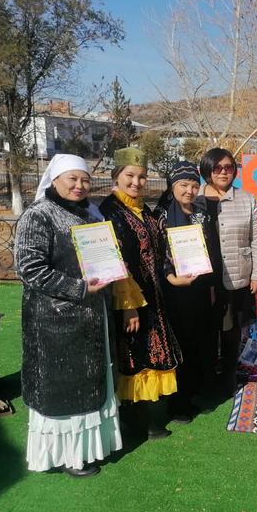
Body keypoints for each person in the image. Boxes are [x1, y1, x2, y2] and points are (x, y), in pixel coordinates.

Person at [15, 153, 122, 477]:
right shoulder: (39, 215)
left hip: (91, 317)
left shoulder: (89, 214)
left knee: (89, 384)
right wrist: (78, 288)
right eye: (72, 179)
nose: (79, 185)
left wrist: (114, 269)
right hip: (55, 323)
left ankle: (89, 449)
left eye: (85, 180)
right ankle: (70, 457)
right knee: (64, 390)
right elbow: (29, 269)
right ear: (55, 180)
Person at [99, 147, 181, 438]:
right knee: (134, 353)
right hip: (130, 298)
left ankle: (151, 419)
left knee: (152, 350)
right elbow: (113, 260)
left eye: (142, 176)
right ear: (116, 176)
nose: (136, 182)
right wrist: (128, 304)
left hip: (154, 294)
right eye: (130, 175)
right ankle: (137, 423)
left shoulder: (141, 207)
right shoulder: (109, 211)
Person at [196, 148, 257, 397]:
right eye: (217, 168)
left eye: (228, 167)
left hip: (235, 277)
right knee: (204, 331)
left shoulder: (247, 199)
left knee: (230, 331)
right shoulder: (193, 198)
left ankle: (227, 380)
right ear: (206, 170)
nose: (223, 172)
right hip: (201, 280)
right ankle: (204, 381)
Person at [154, 160, 218, 422]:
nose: (189, 190)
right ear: (172, 186)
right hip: (174, 292)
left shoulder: (201, 212)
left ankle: (193, 393)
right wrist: (169, 277)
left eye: (194, 185)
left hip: (200, 289)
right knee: (178, 343)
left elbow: (211, 247)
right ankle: (177, 402)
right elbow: (155, 255)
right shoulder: (161, 215)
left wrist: (211, 284)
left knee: (198, 342)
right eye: (183, 185)